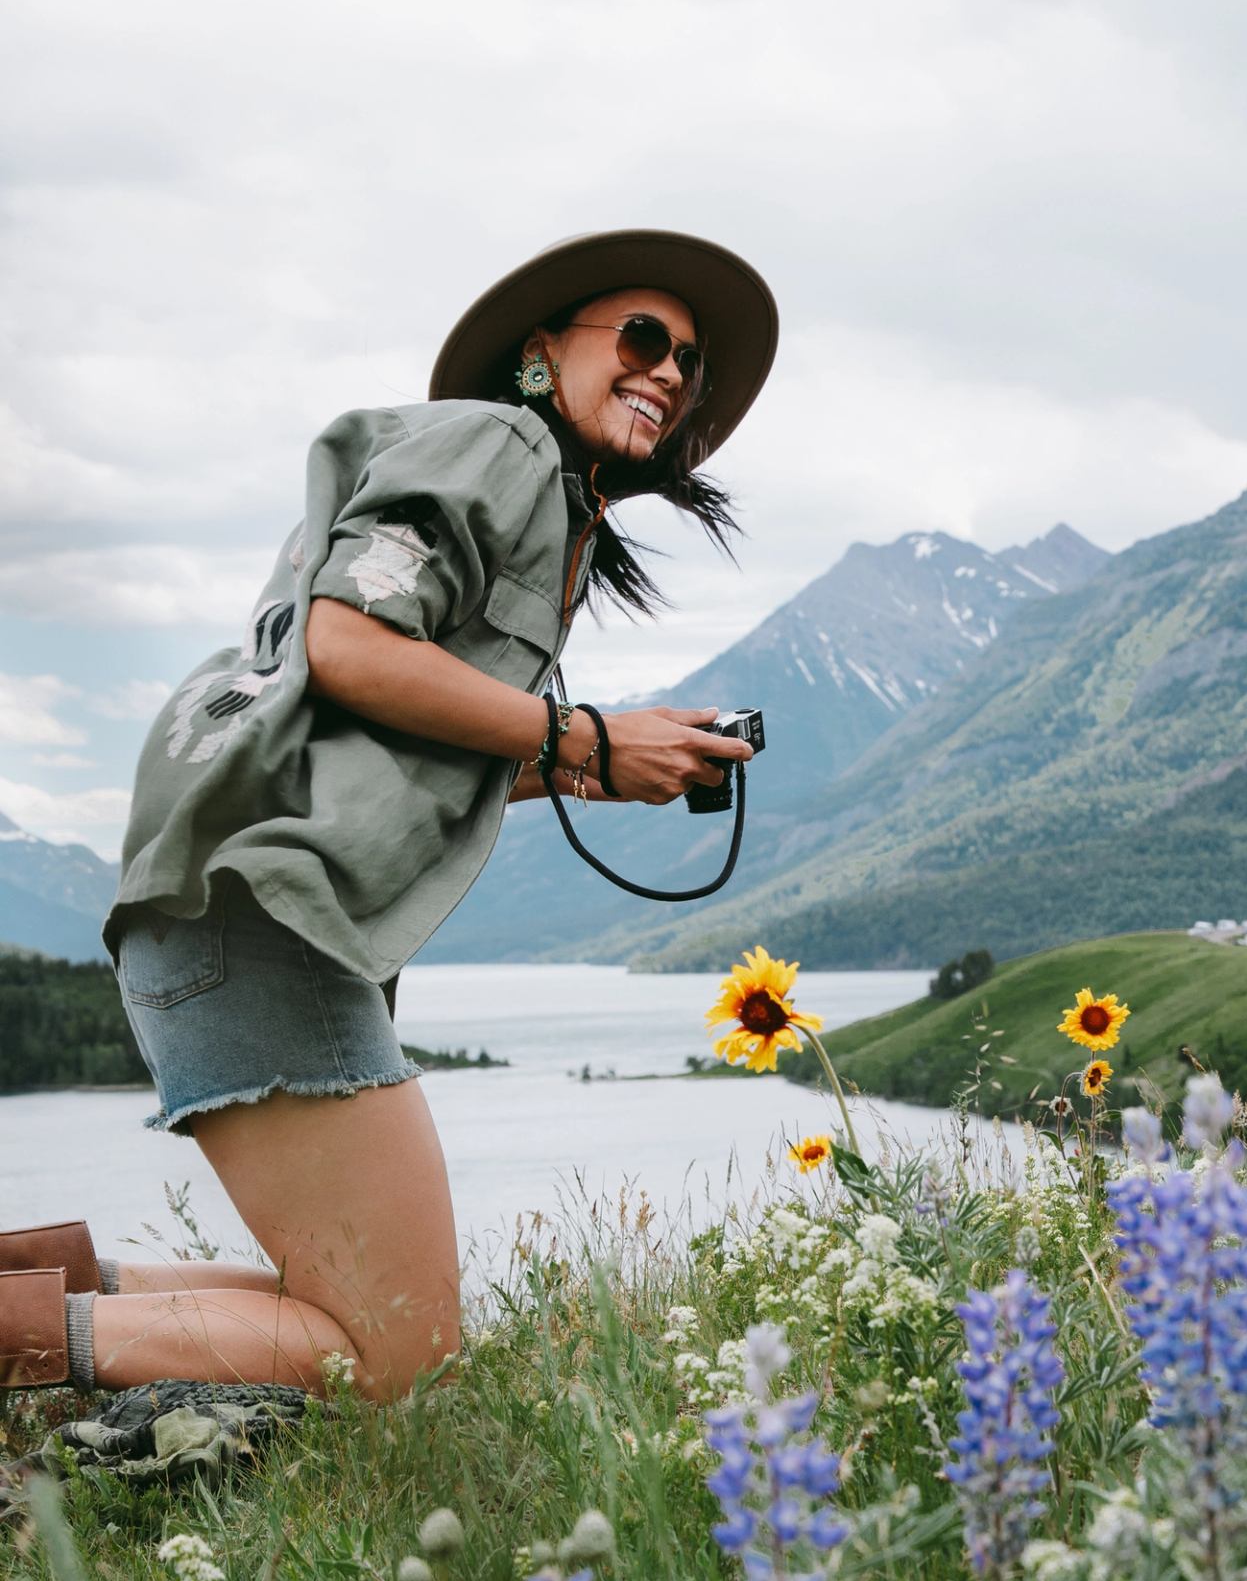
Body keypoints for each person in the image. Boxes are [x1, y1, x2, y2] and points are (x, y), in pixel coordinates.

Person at [0, 230, 776, 1403]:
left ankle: (36, 1290)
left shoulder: (548, 510)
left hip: (230, 913)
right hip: (265, 918)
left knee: (353, 1313)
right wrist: (587, 736)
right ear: (539, 354)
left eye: (689, 363)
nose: (669, 372)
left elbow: (386, 729)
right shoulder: (504, 439)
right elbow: (347, 642)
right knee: (398, 1355)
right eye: (642, 338)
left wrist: (599, 765)